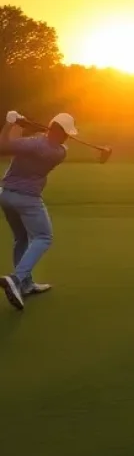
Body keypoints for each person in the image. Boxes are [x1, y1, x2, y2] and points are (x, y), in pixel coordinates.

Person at [0, 110, 77, 310]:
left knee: (22, 238)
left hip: (6, 196)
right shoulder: (60, 152)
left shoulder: (33, 144)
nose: (68, 136)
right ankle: (16, 279)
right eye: (67, 133)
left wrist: (12, 123)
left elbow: (4, 145)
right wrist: (20, 124)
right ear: (60, 132)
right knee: (44, 237)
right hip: (28, 199)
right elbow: (17, 145)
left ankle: (25, 284)